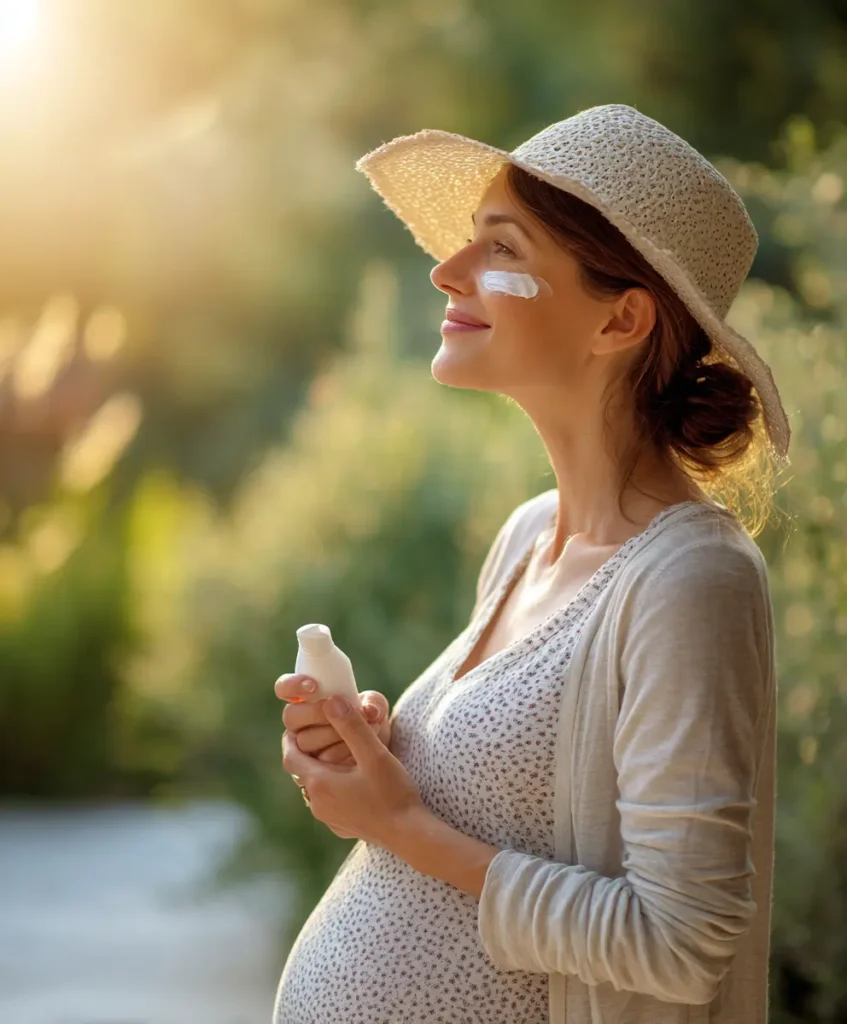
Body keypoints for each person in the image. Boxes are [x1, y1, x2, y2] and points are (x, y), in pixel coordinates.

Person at [272, 103, 791, 1023]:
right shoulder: (526, 536)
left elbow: (677, 944)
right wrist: (378, 757)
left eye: (501, 250)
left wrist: (397, 824)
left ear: (618, 319)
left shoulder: (689, 580)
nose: (446, 270)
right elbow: (513, 808)